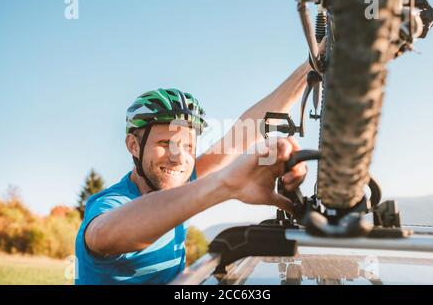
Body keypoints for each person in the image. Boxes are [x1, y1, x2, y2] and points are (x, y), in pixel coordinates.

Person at [75, 61, 313, 284]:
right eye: (165, 143)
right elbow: (104, 235)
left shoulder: (181, 183)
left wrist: (310, 66)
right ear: (134, 145)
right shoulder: (111, 203)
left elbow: (244, 133)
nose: (178, 156)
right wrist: (224, 186)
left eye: (187, 146)